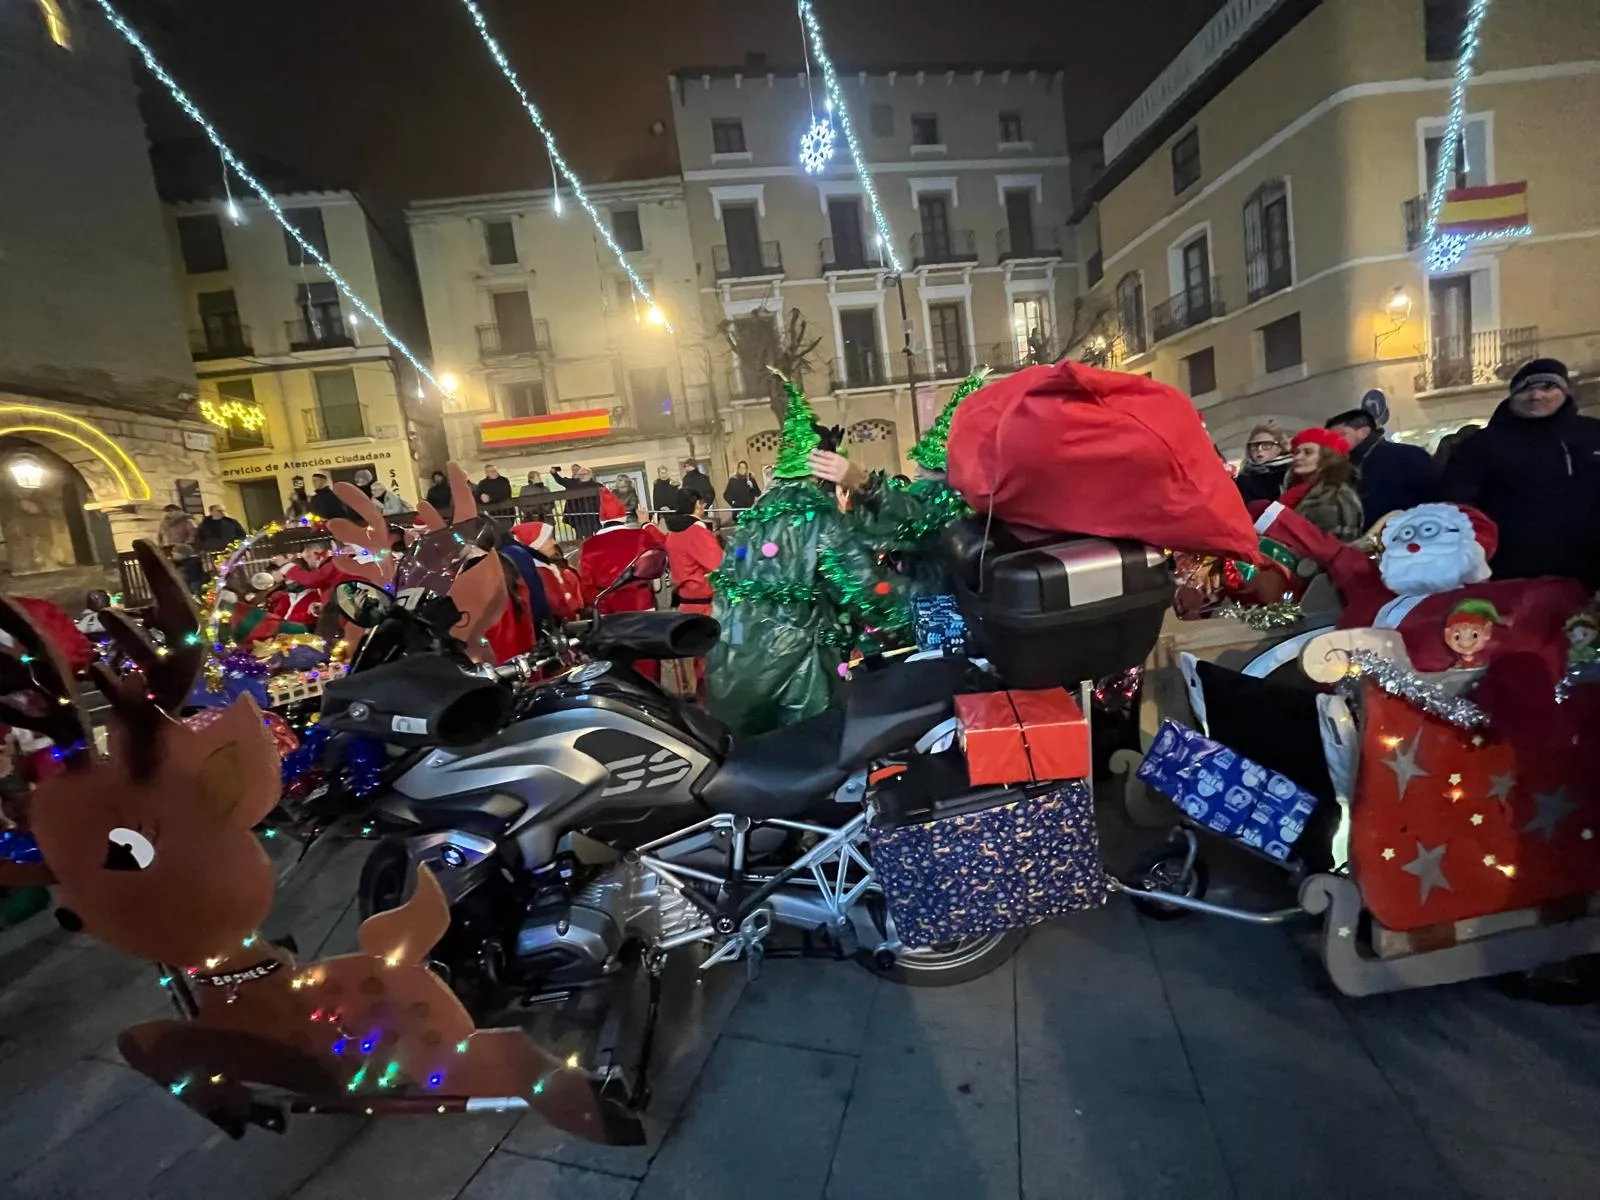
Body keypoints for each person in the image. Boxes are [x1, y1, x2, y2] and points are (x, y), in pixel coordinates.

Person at [1440, 357, 1600, 585]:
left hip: (1588, 574)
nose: (1536, 396)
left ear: (1565, 391)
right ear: (1512, 396)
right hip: (1509, 574)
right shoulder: (1480, 445)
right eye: (1525, 389)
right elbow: (1458, 506)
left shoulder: (1593, 435)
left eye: (1548, 387)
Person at [578, 491, 667, 679]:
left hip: (608, 612)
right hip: (641, 606)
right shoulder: (640, 536)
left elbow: (587, 585)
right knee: (646, 660)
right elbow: (664, 545)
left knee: (617, 664)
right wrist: (648, 524)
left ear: (601, 521)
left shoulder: (590, 545)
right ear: (624, 517)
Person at [1325, 406, 1437, 526]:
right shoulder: (1343, 467)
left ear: (1363, 432)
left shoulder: (1407, 456)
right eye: (1329, 439)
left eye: (1341, 435)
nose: (1334, 443)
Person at [664, 491, 724, 694]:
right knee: (711, 665)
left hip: (685, 604)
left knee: (690, 665)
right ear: (697, 504)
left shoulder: (673, 533)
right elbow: (719, 565)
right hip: (706, 606)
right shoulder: (697, 532)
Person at [1281, 428, 1364, 542]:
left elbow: (1336, 547)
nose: (1297, 457)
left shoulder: (1337, 495)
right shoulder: (1297, 492)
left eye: (1308, 452)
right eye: (1296, 452)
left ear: (1328, 457)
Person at [1235, 424, 1292, 505]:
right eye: (1254, 445)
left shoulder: (1290, 473)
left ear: (1279, 448)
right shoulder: (1242, 478)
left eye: (1266, 445)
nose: (1259, 449)